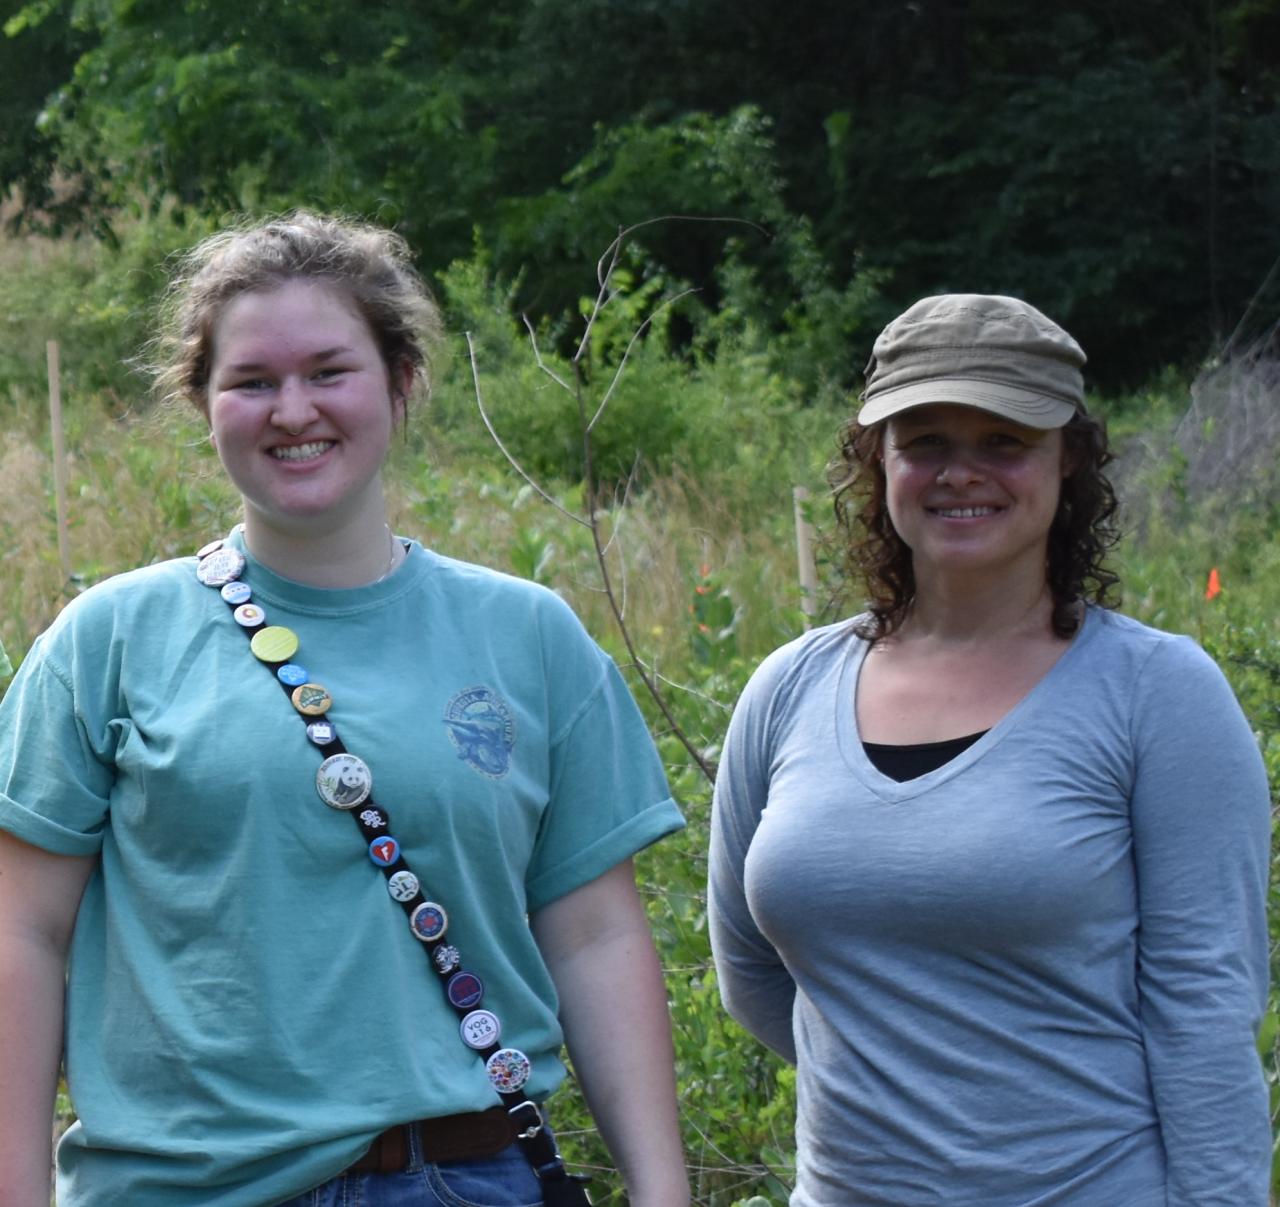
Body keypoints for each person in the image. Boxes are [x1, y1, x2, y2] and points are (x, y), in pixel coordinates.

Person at [0, 212, 691, 1207]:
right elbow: (21, 934)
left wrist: (661, 1190)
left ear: (400, 384)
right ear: (204, 403)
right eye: (251, 381)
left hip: (460, 1182)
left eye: (329, 371)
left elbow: (594, 937)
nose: (292, 410)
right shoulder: (107, 640)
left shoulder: (530, 639)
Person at [708, 294, 1271, 1206]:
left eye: (1004, 441)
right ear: (876, 458)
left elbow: (1205, 1015)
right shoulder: (789, 689)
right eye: (924, 440)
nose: (961, 473)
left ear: (1071, 459)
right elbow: (749, 971)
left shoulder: (1157, 694)